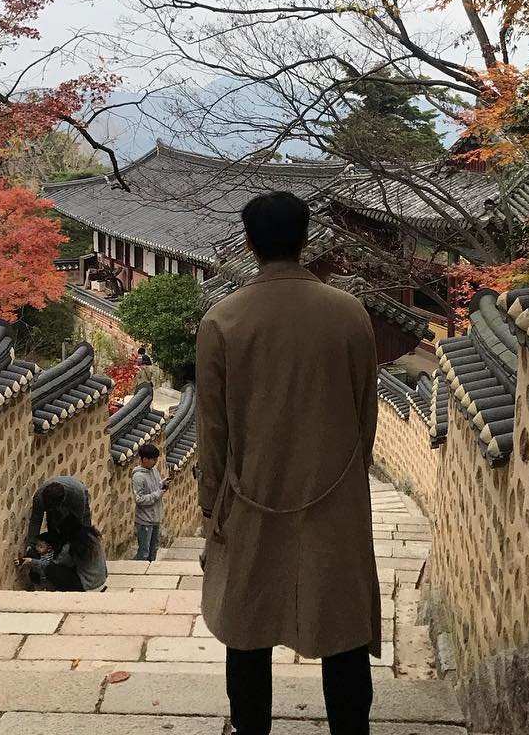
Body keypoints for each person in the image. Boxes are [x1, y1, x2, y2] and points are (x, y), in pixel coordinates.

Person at [196, 191, 380, 735]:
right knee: (341, 625)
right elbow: (365, 411)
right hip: (335, 493)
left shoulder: (223, 320)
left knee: (246, 624)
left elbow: (213, 430)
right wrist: (349, 477)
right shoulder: (349, 314)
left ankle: (251, 728)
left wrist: (211, 505)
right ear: (305, 240)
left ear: (249, 242)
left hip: (252, 492)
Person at [19, 524, 108, 592]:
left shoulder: (71, 547)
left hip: (88, 586)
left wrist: (32, 561)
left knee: (51, 570)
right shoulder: (91, 536)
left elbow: (54, 564)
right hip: (101, 581)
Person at [24, 475, 92, 554]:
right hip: (56, 502)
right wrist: (31, 544)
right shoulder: (39, 498)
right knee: (53, 528)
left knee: (84, 531)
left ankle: (87, 551)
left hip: (77, 494)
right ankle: (56, 554)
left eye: (54, 508)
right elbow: (35, 520)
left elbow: (78, 522)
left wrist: (74, 545)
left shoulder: (77, 494)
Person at [132, 443, 170, 561]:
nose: (155, 462)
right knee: (144, 551)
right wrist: (158, 493)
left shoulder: (153, 470)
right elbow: (140, 499)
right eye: (153, 459)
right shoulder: (138, 477)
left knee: (154, 549)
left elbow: (157, 485)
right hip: (144, 520)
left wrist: (163, 484)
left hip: (155, 518)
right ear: (144, 459)